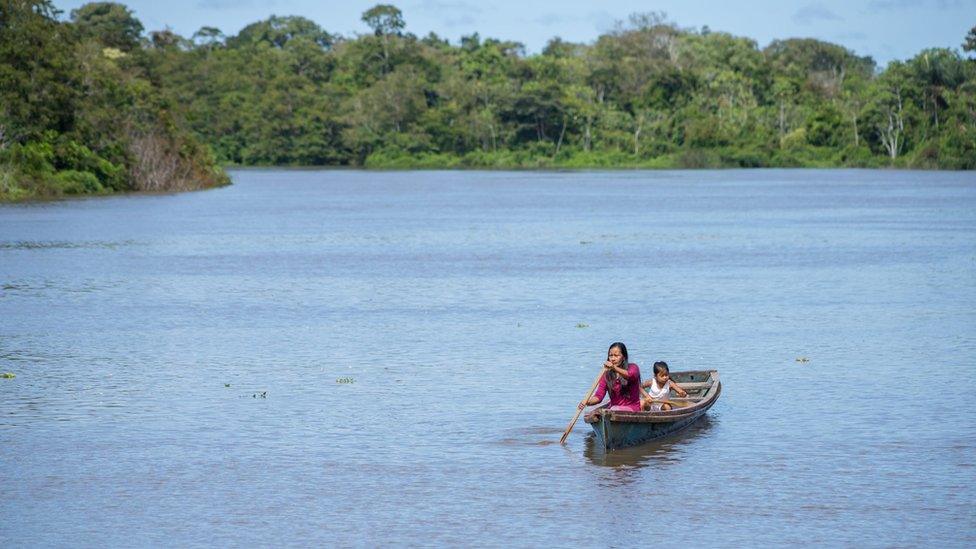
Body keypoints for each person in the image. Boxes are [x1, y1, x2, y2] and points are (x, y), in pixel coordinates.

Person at [578, 342, 642, 412]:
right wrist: (587, 402)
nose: (613, 359)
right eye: (611, 356)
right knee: (608, 410)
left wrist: (614, 368)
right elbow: (599, 397)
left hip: (632, 409)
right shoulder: (606, 374)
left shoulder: (633, 367)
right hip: (614, 409)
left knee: (614, 409)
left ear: (623, 357)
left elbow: (630, 375)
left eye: (616, 356)